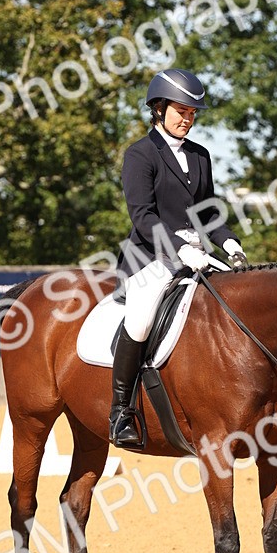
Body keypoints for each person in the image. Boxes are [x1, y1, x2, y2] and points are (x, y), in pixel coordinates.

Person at [109, 68, 248, 448]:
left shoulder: (200, 155)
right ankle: (121, 410)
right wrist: (181, 247)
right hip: (149, 258)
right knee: (139, 321)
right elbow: (142, 215)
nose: (187, 119)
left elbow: (207, 212)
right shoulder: (140, 154)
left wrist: (229, 243)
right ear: (158, 108)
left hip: (196, 256)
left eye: (192, 113)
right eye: (180, 111)